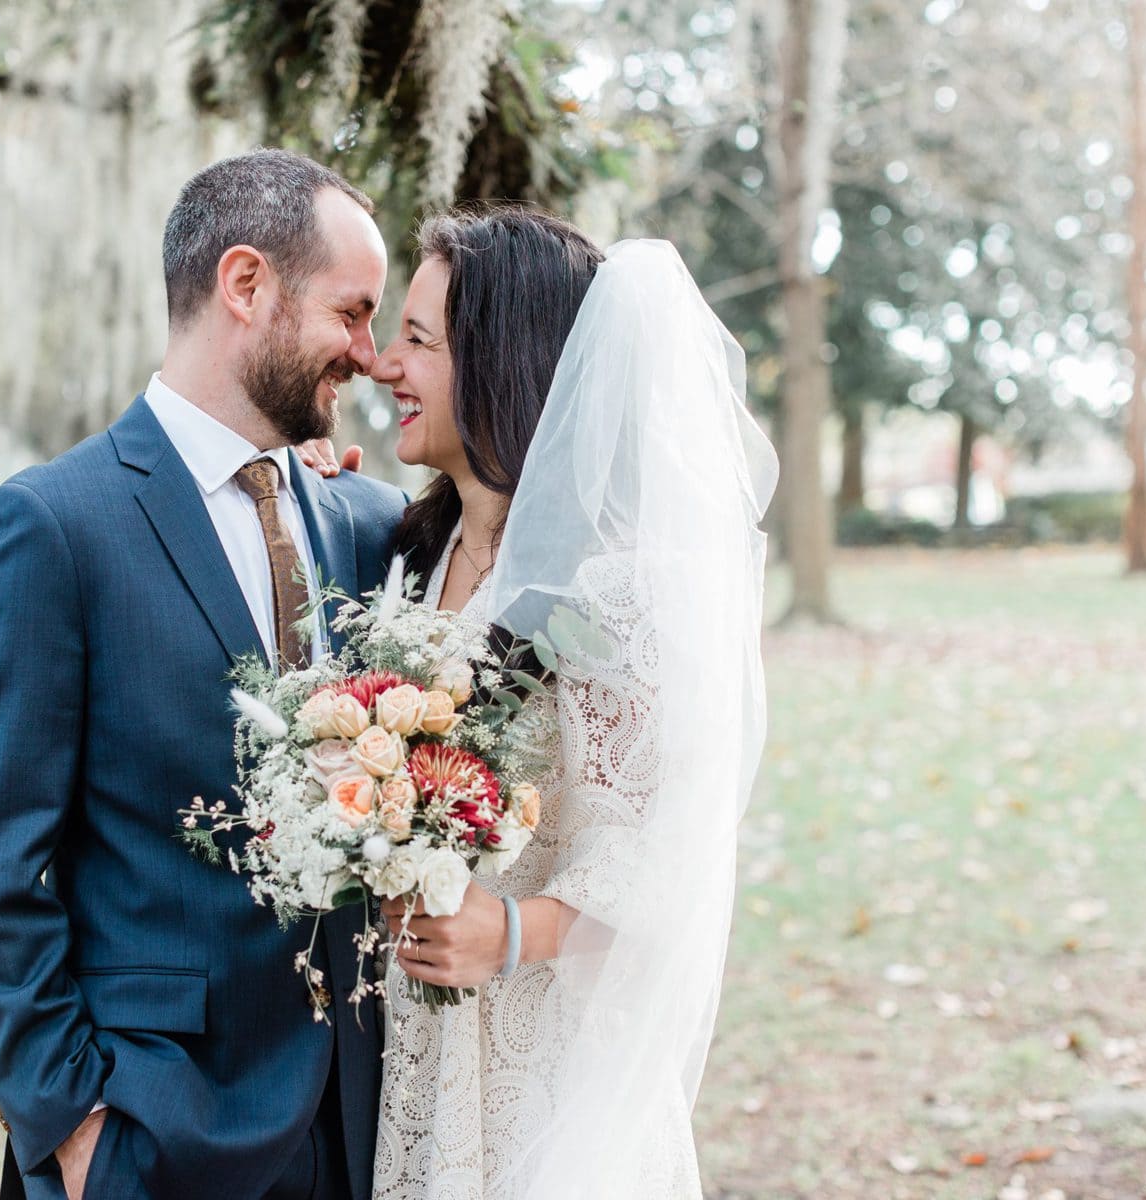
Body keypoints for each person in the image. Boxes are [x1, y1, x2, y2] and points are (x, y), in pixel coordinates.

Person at [0, 149, 407, 1200]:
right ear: (247, 286)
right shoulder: (50, 528)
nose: (370, 356)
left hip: (367, 1125)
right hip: (156, 1130)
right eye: (353, 312)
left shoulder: (372, 527)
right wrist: (73, 1127)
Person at [361, 210, 778, 1199]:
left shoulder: (612, 595)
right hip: (409, 1064)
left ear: (503, 359)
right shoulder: (411, 562)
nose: (385, 365)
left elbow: (662, 869)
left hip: (544, 1084)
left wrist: (510, 933)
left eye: (419, 340)